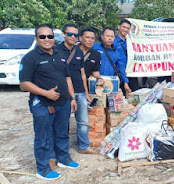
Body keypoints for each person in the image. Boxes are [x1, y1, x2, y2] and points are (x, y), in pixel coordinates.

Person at [19, 25, 80, 180]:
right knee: (43, 137)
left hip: (64, 102)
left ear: (54, 38)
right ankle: (43, 169)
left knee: (62, 133)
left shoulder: (60, 54)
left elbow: (67, 78)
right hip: (42, 105)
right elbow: (24, 83)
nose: (47, 40)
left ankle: (64, 159)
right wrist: (46, 93)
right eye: (42, 37)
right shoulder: (30, 58)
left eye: (50, 36)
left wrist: (72, 98)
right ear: (36, 38)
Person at [55, 24, 99, 155]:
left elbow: (83, 74)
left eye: (74, 35)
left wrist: (86, 92)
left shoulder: (78, 51)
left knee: (83, 121)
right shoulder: (56, 50)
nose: (72, 37)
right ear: (64, 34)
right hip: (64, 92)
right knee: (62, 123)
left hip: (79, 91)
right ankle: (61, 150)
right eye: (70, 34)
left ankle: (84, 146)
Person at [92, 27, 131, 95]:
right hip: (95, 81)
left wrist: (125, 82)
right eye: (107, 36)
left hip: (109, 83)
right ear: (102, 36)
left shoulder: (116, 53)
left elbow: (121, 68)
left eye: (112, 36)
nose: (110, 38)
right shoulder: (94, 47)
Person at [114, 19, 141, 92]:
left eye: (128, 28)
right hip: (119, 72)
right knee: (121, 95)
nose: (125, 30)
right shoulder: (113, 41)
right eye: (124, 27)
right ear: (119, 27)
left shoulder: (131, 40)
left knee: (135, 92)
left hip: (131, 71)